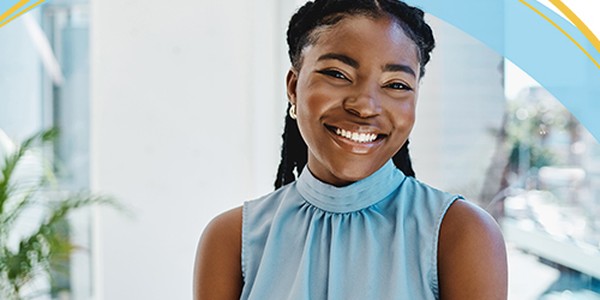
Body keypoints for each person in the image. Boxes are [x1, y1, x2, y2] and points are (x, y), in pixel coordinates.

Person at [194, 0, 508, 299]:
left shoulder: (461, 233)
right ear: (293, 86)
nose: (365, 106)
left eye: (396, 84)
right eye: (337, 74)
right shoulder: (232, 239)